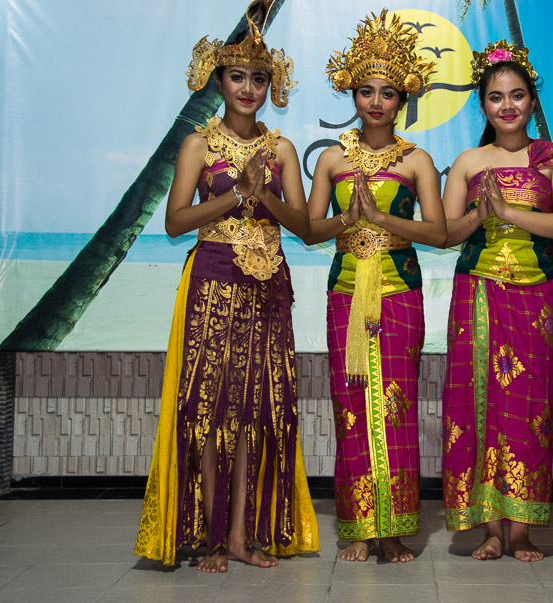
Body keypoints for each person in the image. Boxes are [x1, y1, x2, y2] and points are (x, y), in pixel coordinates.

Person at [134, 3, 318, 572]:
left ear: (270, 87)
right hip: (212, 280)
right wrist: (237, 194)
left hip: (268, 287)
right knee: (207, 407)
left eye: (259, 79)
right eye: (237, 77)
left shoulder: (281, 149)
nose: (248, 88)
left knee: (258, 409)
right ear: (219, 82)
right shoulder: (198, 144)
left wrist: (263, 197)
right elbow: (175, 222)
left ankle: (241, 535)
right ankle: (213, 536)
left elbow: (306, 227)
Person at [305, 9, 445, 564]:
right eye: (367, 91)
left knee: (396, 406)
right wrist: (347, 221)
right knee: (352, 408)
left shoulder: (417, 161)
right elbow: (312, 230)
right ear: (354, 95)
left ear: (402, 98)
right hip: (345, 293)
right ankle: (360, 527)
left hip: (399, 294)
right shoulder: (332, 159)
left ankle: (394, 531)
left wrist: (384, 221)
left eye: (388, 92)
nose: (376, 102)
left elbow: (438, 233)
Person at [441, 41, 553, 562]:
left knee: (530, 410)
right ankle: (491, 529)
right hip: (476, 296)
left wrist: (508, 212)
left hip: (537, 301)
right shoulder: (468, 162)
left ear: (531, 101)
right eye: (496, 97)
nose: (507, 106)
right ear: (482, 105)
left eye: (517, 95)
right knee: (477, 408)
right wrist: (481, 215)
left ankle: (521, 529)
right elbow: (446, 233)